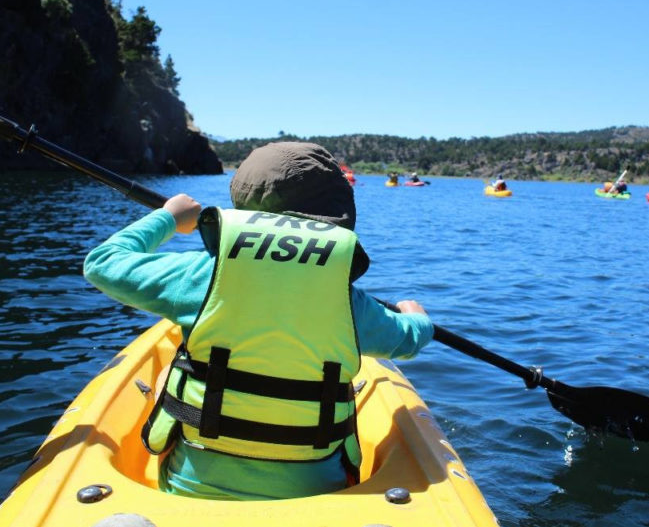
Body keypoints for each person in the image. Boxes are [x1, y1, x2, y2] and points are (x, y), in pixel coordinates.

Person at [83, 141, 432, 501]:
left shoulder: (202, 274)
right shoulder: (348, 301)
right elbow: (408, 341)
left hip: (190, 492)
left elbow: (103, 263)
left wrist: (169, 217)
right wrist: (416, 317)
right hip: (317, 494)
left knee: (168, 373)